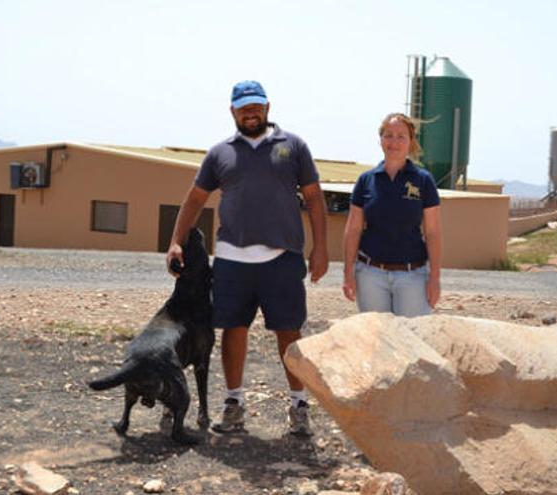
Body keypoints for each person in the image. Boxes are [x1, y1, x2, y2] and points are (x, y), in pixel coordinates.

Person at [166, 80, 328, 437]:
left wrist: (321, 247)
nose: (250, 112)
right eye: (243, 107)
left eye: (256, 106)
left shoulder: (294, 146)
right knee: (233, 329)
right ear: (232, 111)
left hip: (282, 258)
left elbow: (315, 198)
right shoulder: (219, 153)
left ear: (268, 107)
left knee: (290, 332)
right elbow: (195, 200)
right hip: (231, 259)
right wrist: (176, 242)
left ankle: (300, 405)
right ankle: (234, 403)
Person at [342, 113, 441, 316]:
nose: (394, 142)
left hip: (412, 276)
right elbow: (353, 229)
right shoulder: (366, 181)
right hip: (370, 275)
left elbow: (432, 232)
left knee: (411, 339)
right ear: (380, 139)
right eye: (388, 135)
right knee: (377, 340)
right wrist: (347, 273)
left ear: (411, 141)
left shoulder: (424, 181)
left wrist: (435, 278)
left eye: (401, 136)